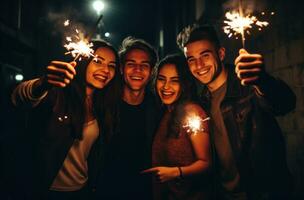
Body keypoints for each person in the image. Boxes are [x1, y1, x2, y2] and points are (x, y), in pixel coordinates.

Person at [176, 24, 296, 199]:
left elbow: (286, 104)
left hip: (262, 193)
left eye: (205, 55)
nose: (199, 65)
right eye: (191, 59)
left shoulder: (247, 85)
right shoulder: (201, 103)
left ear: (221, 54)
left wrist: (263, 81)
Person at [11, 39, 121, 200]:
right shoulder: (58, 93)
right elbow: (18, 97)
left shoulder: (103, 105)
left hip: (82, 189)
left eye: (112, 66)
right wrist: (43, 83)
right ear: (83, 61)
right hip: (46, 190)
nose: (106, 70)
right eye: (97, 61)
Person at [96, 36, 159, 199]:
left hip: (145, 192)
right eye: (131, 64)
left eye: (144, 65)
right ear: (122, 69)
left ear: (151, 71)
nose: (137, 70)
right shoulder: (102, 103)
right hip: (105, 190)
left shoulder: (159, 108)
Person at [142, 54, 211, 199]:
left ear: (185, 84)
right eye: (161, 79)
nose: (166, 87)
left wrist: (175, 172)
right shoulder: (165, 112)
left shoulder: (192, 112)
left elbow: (206, 163)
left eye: (175, 81)